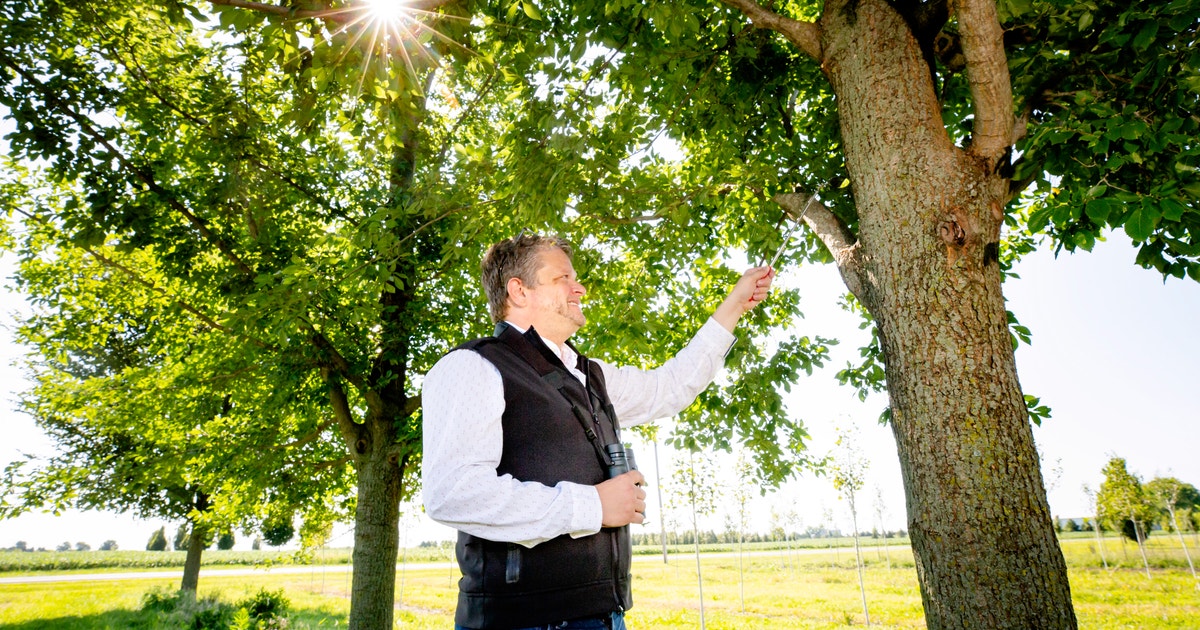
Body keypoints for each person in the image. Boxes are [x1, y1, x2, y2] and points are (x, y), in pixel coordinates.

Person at [422, 233, 774, 630]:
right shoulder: (472, 367)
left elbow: (670, 387)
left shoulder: (590, 375)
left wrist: (735, 304)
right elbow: (452, 493)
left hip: (607, 617)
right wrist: (594, 506)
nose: (580, 288)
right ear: (519, 291)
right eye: (563, 278)